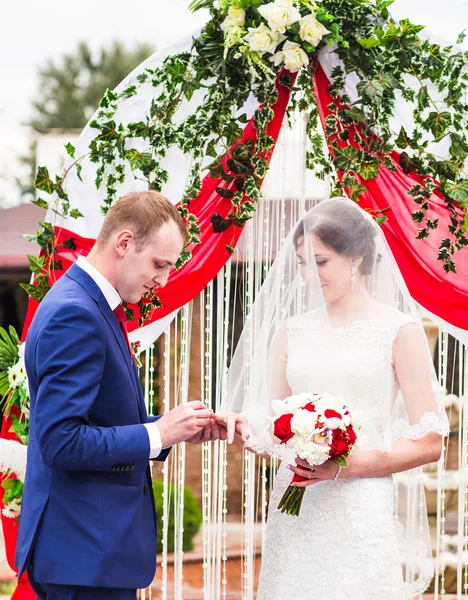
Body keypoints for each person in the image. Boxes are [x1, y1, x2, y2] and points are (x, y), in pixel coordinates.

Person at [16, 191, 248, 600]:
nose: (162, 279)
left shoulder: (89, 304)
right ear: (124, 243)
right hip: (84, 554)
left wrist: (172, 428)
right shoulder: (77, 313)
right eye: (159, 264)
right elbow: (61, 441)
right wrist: (156, 436)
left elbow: (98, 419)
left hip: (89, 553)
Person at [225, 197, 449, 599]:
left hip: (359, 508)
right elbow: (271, 420)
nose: (309, 275)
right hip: (296, 506)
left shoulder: (399, 331)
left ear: (357, 258)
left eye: (320, 261)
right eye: (301, 263)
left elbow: (429, 442)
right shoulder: (291, 331)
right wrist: (245, 425)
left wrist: (343, 467)